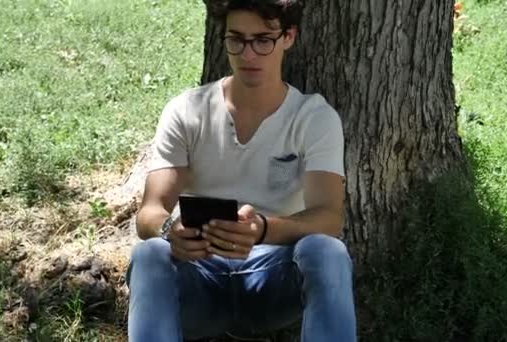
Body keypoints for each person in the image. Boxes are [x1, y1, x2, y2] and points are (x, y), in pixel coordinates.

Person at [126, 0, 356, 341]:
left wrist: (262, 229)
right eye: (237, 39)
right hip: (199, 273)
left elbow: (329, 218)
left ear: (288, 37)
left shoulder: (314, 118)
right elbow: (149, 212)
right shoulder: (187, 110)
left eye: (263, 40)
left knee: (326, 251)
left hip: (272, 276)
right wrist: (168, 230)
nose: (248, 55)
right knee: (149, 253)